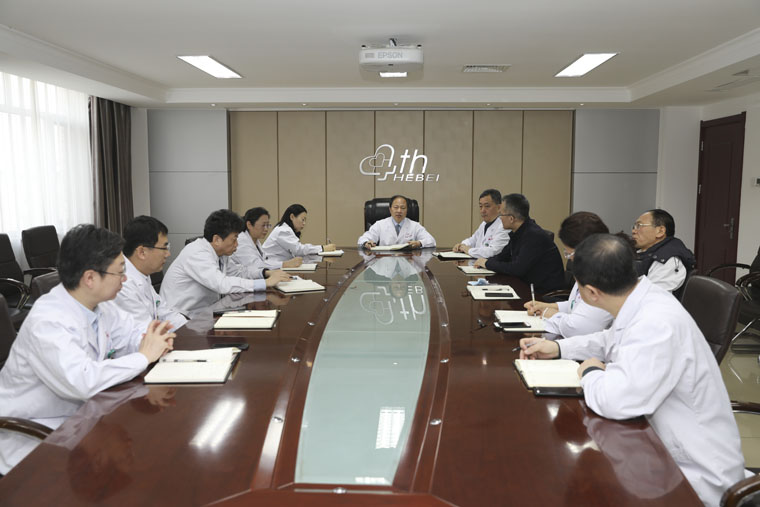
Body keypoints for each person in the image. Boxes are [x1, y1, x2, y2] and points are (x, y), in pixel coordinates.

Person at [519, 234, 746, 506]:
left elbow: (617, 401)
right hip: (656, 450)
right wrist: (558, 348)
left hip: (693, 479)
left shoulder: (656, 322)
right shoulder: (641, 299)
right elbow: (610, 339)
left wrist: (590, 372)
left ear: (590, 292)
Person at [0, 224, 175, 474]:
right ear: (90, 278)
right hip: (34, 436)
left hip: (83, 420)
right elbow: (82, 381)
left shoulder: (100, 305)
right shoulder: (48, 321)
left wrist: (154, 338)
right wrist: (144, 356)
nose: (125, 279)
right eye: (120, 272)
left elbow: (132, 332)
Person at [160, 209, 291, 312]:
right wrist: (265, 283)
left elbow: (239, 273)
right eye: (234, 239)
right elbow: (221, 284)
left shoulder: (221, 254)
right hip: (182, 319)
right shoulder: (197, 253)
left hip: (206, 312)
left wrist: (265, 273)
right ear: (217, 239)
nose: (237, 244)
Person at [524, 212, 613, 337]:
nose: (570, 258)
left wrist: (549, 313)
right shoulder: (588, 268)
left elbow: (577, 328)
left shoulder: (606, 277)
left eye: (569, 253)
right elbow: (575, 304)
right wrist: (547, 306)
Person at [473, 193, 564, 292]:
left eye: (501, 214)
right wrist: (484, 262)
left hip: (543, 293)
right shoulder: (518, 231)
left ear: (511, 219)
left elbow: (517, 269)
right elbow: (503, 256)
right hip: (526, 286)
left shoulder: (533, 236)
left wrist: (487, 263)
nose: (499, 218)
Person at [115, 216, 187, 331]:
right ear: (142, 252)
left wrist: (191, 329)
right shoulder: (123, 284)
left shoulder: (143, 275)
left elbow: (165, 313)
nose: (168, 254)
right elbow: (144, 331)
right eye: (164, 248)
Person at [631, 209, 695, 294]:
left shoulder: (668, 260)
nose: (633, 231)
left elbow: (652, 297)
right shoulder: (640, 251)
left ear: (660, 231)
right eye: (634, 226)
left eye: (639, 226)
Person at [228, 207, 303, 279]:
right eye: (263, 225)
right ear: (249, 225)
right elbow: (256, 266)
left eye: (268, 225)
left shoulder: (255, 240)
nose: (266, 229)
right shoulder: (241, 241)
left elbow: (263, 262)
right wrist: (285, 264)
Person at [262, 204, 335, 262]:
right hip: (270, 267)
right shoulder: (282, 231)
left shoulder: (286, 229)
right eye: (303, 220)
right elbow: (298, 250)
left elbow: (297, 252)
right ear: (292, 217)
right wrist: (322, 248)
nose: (304, 223)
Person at [357, 195, 436, 249]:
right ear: (390, 209)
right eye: (396, 207)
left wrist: (419, 243)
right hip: (384, 262)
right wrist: (366, 243)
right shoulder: (380, 224)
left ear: (407, 210)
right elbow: (363, 239)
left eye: (403, 208)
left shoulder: (415, 226)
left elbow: (431, 241)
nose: (399, 211)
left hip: (408, 261)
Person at [452, 188, 509, 258]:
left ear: (499, 207)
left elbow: (492, 251)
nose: (482, 210)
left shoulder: (505, 226)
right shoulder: (484, 224)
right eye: (480, 206)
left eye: (487, 206)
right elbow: (473, 240)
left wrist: (468, 250)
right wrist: (461, 245)